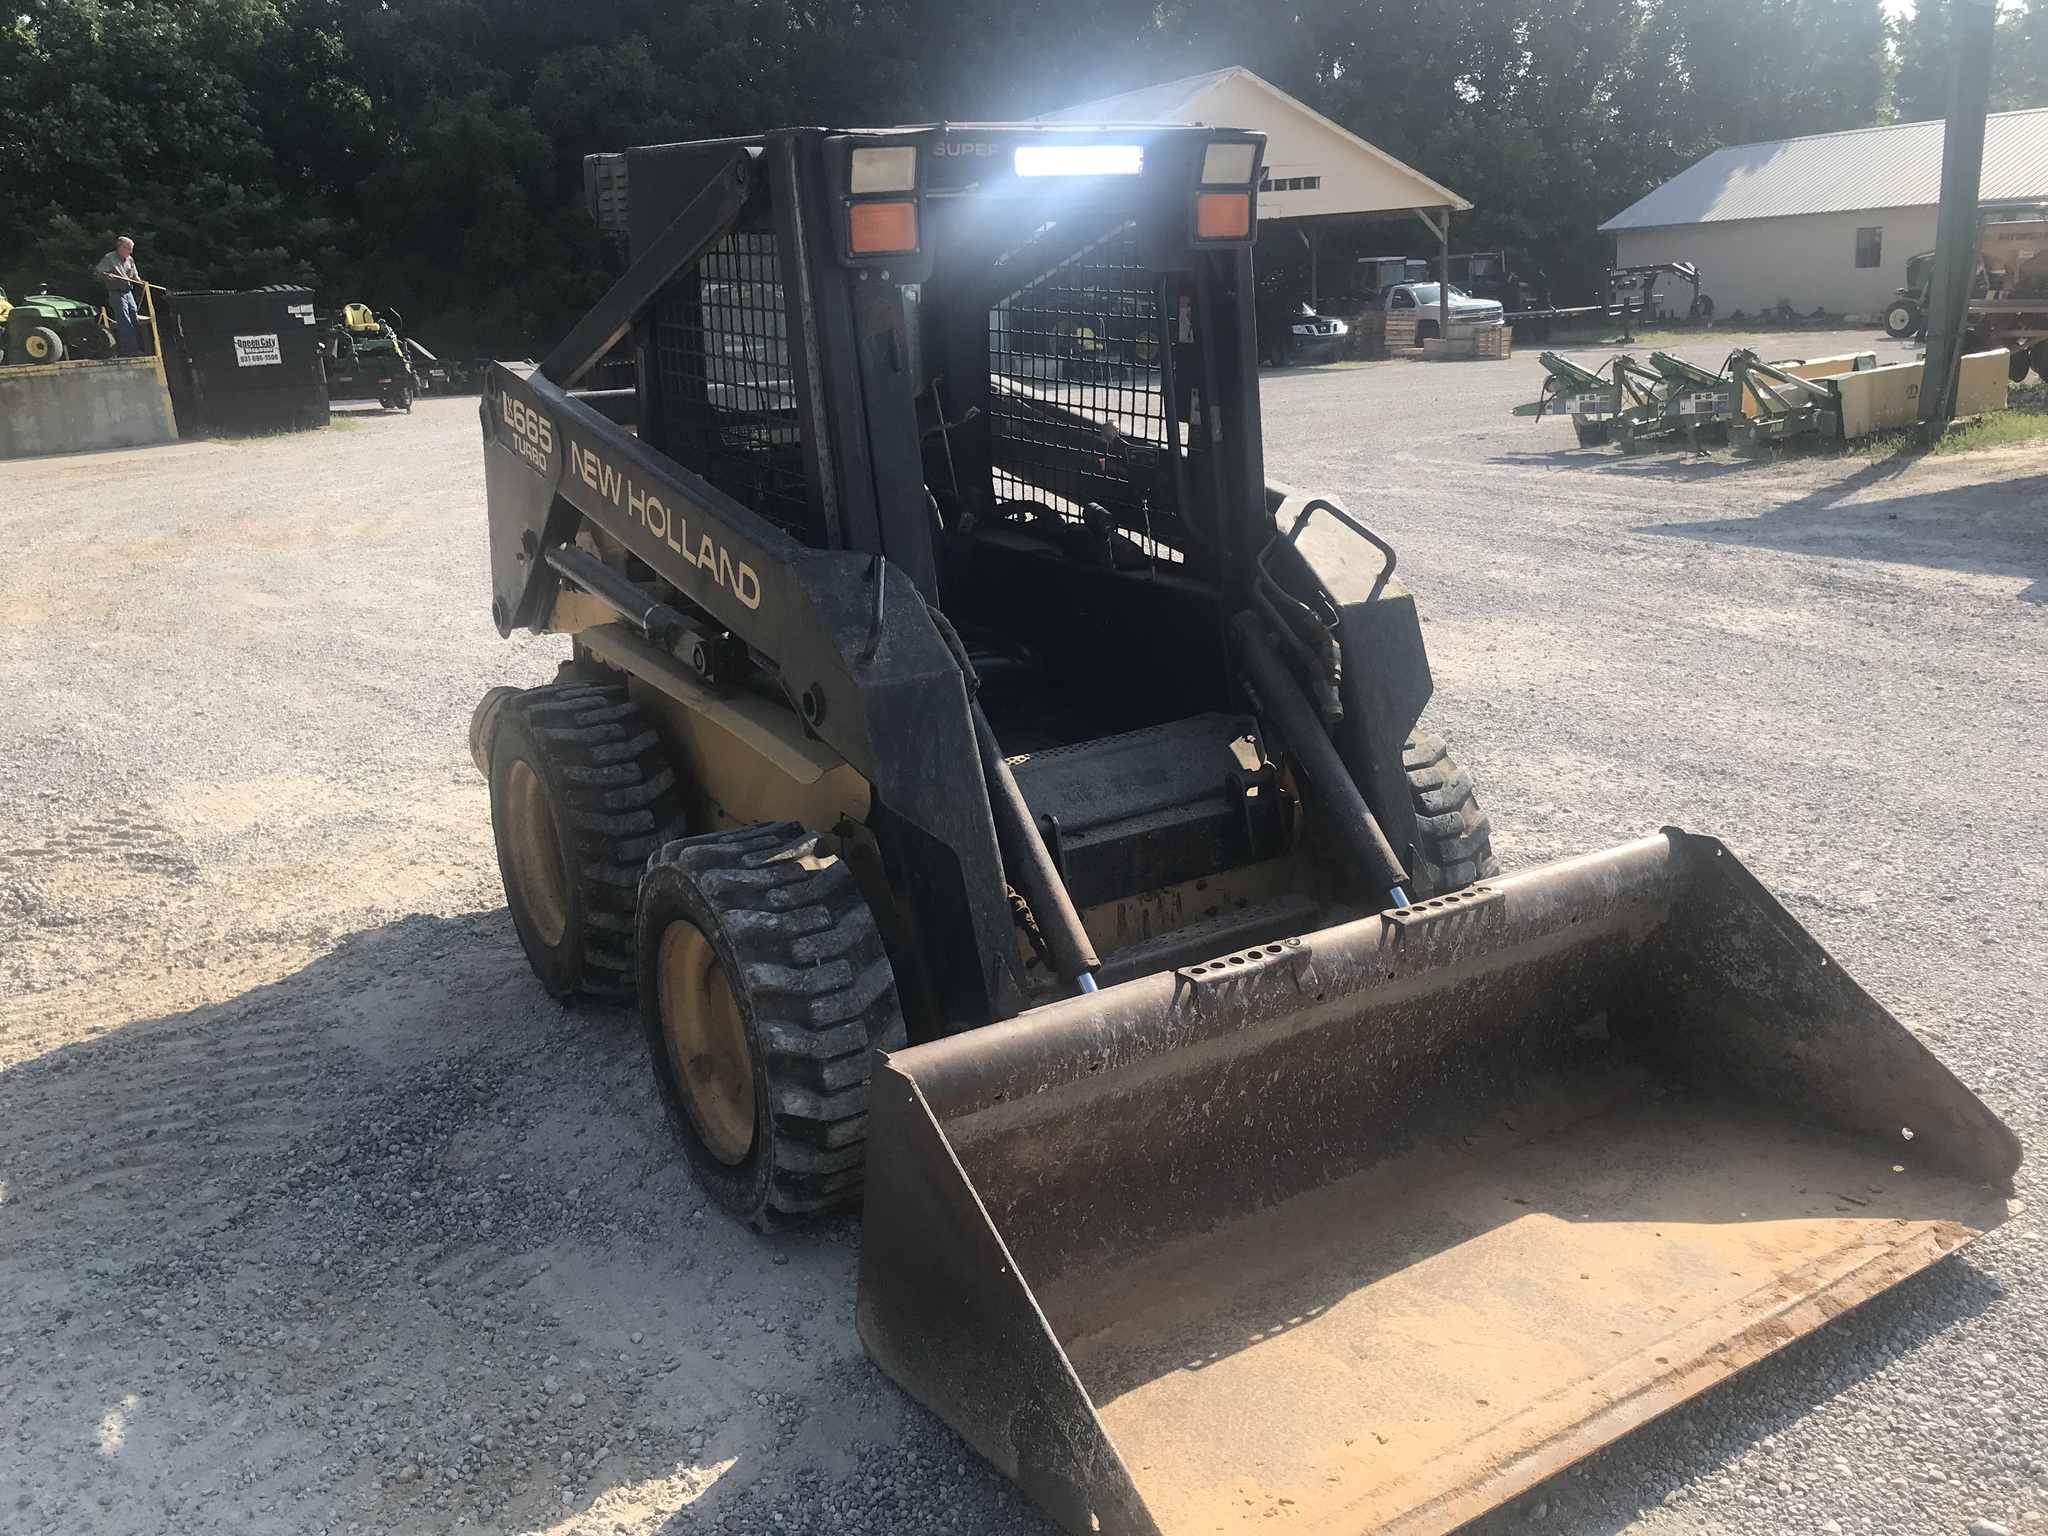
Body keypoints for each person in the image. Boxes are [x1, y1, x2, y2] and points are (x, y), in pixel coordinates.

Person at [95, 236, 143, 355]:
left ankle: (134, 347)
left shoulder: (129, 260)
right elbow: (99, 271)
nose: (131, 252)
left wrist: (141, 283)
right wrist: (107, 276)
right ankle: (129, 349)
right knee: (124, 320)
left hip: (128, 292)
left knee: (134, 318)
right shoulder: (109, 258)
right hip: (116, 293)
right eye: (129, 249)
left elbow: (134, 275)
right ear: (121, 247)